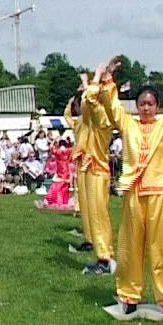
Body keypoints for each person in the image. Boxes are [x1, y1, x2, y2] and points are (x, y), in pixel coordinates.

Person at [92, 55, 163, 322]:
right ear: (136, 106)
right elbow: (112, 107)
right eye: (142, 104)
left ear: (157, 106)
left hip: (159, 193)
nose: (146, 108)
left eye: (150, 104)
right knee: (130, 249)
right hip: (134, 193)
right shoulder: (128, 124)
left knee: (161, 249)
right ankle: (129, 297)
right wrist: (108, 78)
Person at [77, 67, 117, 274]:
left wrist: (97, 77)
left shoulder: (103, 119)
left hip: (98, 171)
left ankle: (105, 259)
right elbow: (87, 104)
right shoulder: (96, 119)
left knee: (99, 215)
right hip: (93, 169)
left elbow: (90, 100)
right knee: (95, 214)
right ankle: (103, 256)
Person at [65, 93, 94, 251]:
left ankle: (92, 238)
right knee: (84, 200)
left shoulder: (89, 120)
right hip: (83, 162)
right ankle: (88, 236)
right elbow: (67, 117)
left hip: (90, 163)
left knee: (90, 202)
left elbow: (68, 116)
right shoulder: (80, 121)